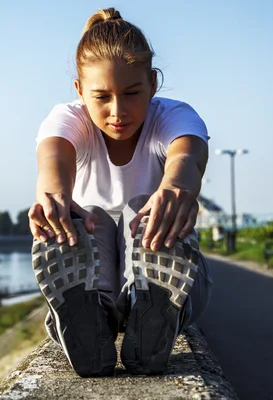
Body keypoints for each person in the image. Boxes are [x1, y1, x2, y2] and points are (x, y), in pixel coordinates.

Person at [29, 7, 213, 377]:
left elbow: (187, 154)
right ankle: (91, 314)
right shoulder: (67, 118)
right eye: (102, 97)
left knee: (143, 209)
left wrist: (176, 187)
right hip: (96, 266)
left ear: (153, 84)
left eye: (132, 93)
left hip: (155, 251)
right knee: (86, 217)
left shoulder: (175, 116)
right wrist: (54, 198)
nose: (118, 111)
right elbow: (54, 159)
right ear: (80, 91)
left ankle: (148, 306)